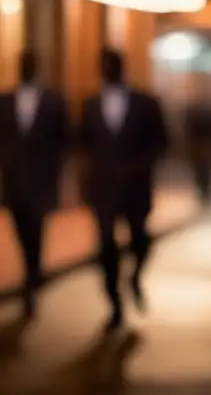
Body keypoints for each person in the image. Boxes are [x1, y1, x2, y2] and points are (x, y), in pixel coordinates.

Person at [80, 48, 169, 331]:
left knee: (141, 240)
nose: (108, 70)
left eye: (112, 65)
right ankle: (115, 306)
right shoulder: (90, 105)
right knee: (106, 246)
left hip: (136, 188)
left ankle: (134, 277)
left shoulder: (145, 103)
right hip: (103, 190)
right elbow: (82, 145)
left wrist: (140, 165)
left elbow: (161, 141)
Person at [0, 51, 68, 318]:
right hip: (13, 181)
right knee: (20, 230)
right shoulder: (5, 100)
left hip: (41, 182)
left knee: (36, 230)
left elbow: (63, 141)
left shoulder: (53, 101)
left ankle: (33, 277)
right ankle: (31, 273)